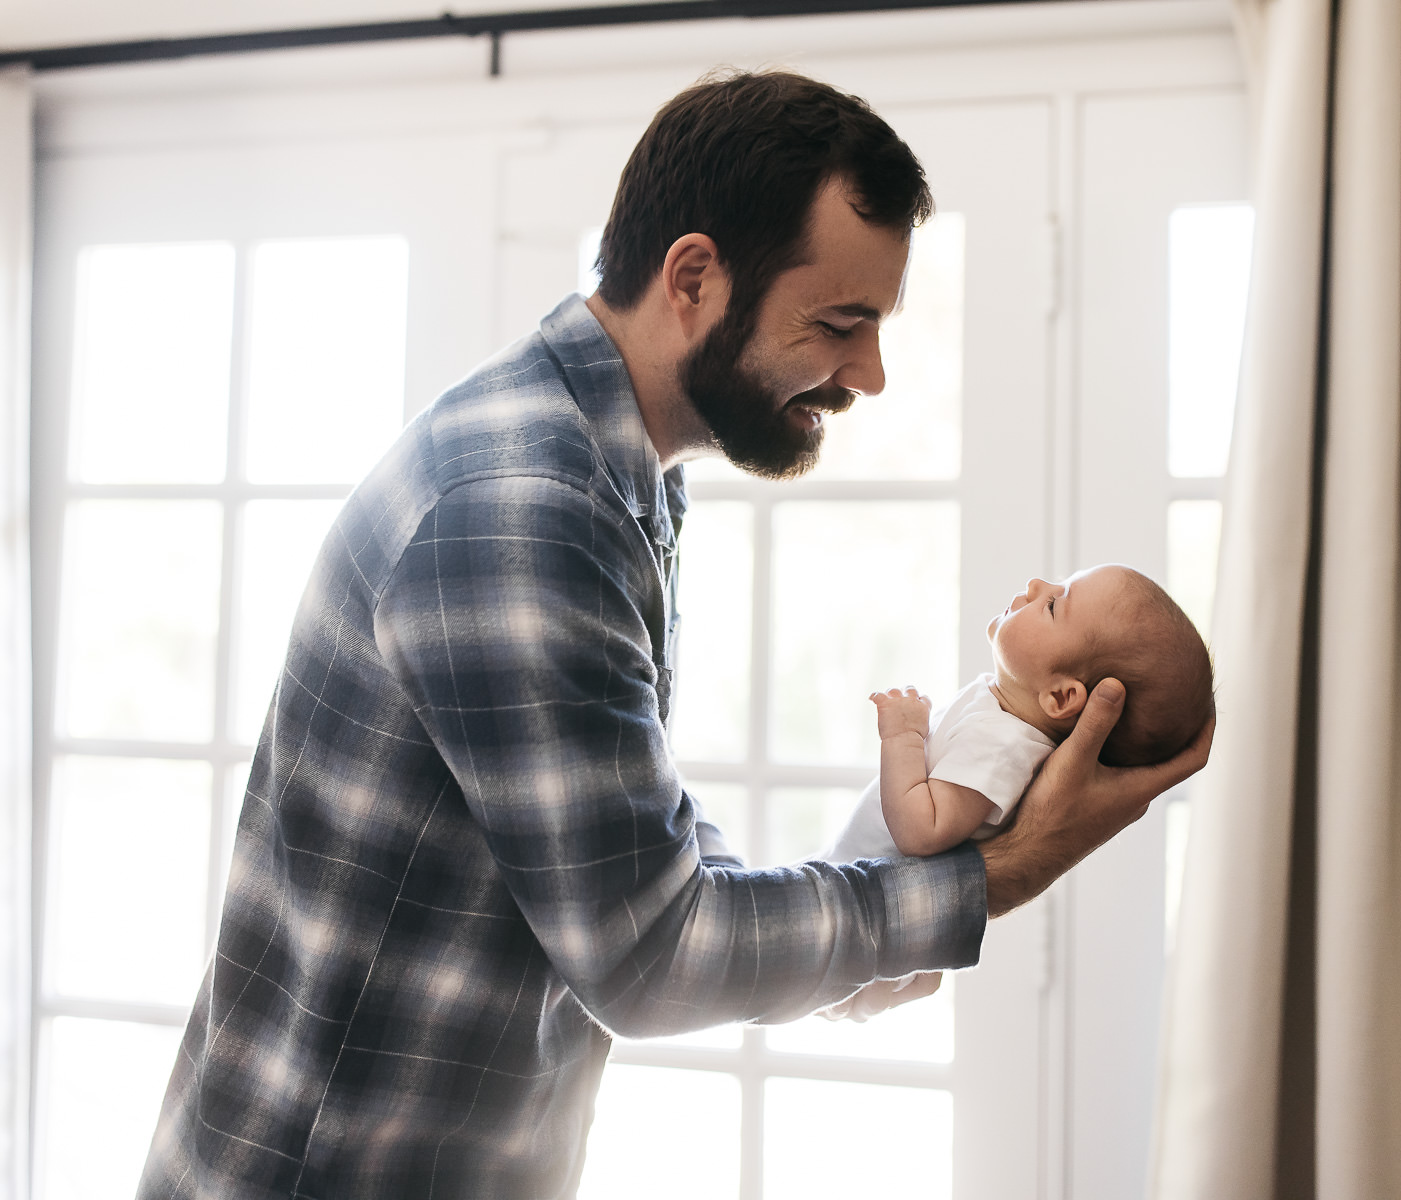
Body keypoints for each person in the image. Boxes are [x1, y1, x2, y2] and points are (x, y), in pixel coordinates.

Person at [138, 69, 1212, 1198]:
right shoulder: (521, 502)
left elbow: (635, 851)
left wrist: (866, 943)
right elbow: (648, 958)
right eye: (841, 324)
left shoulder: (625, 480)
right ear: (694, 276)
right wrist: (995, 875)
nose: (871, 375)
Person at [830, 565, 1214, 863]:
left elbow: (921, 832)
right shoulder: (1001, 721)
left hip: (872, 947)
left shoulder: (1003, 746)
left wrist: (903, 739)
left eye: (1052, 605)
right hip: (857, 907)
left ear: (1061, 697)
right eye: (1058, 583)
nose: (1036, 585)